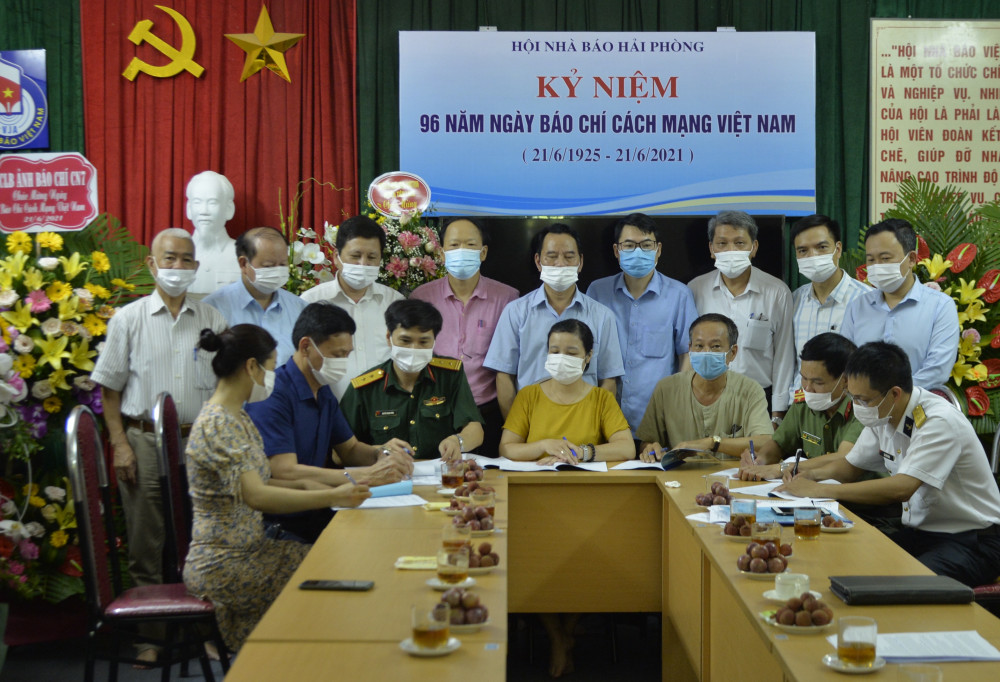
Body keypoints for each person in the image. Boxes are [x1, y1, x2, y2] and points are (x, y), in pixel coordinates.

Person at [183, 325, 370, 653]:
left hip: (253, 550)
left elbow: (264, 480)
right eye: (270, 368)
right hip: (225, 563)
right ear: (251, 367)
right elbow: (256, 495)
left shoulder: (237, 417)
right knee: (331, 577)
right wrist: (331, 495)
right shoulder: (218, 424)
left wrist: (315, 485)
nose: (272, 377)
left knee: (337, 561)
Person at [90, 227, 227, 664]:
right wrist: (120, 445)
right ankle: (151, 638)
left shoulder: (212, 320)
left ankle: (205, 633)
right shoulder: (127, 319)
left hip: (199, 442)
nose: (178, 267)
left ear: (196, 266)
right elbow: (109, 390)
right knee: (146, 542)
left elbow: (227, 386)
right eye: (170, 258)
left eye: (186, 259)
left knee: (204, 539)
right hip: (143, 441)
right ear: (152, 264)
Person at [779, 341, 1000, 587]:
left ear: (894, 393)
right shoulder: (883, 413)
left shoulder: (938, 421)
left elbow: (901, 488)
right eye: (853, 397)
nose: (857, 406)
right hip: (924, 534)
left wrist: (820, 490)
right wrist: (809, 476)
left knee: (900, 586)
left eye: (862, 399)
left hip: (974, 541)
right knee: (849, 560)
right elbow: (850, 467)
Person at [246, 302, 413, 543]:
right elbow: (284, 470)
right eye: (337, 355)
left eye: (347, 354)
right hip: (279, 524)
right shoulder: (274, 393)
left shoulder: (322, 390)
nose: (343, 362)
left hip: (319, 512)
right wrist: (367, 475)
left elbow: (350, 449)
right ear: (306, 346)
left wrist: (384, 453)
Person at [484, 223, 624, 420]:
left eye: (569, 256)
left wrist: (596, 425)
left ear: (580, 262)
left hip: (585, 423)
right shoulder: (515, 312)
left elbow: (608, 379)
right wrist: (517, 427)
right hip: (532, 423)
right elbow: (504, 376)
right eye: (551, 256)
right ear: (538, 261)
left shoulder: (602, 316)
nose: (560, 264)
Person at [411, 218, 519, 456]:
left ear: (483, 252)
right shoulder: (421, 298)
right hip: (435, 412)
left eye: (470, 245)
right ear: (441, 253)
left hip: (488, 412)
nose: (462, 251)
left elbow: (511, 365)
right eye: (454, 245)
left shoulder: (508, 298)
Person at [586, 212, 698, 435]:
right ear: (616, 251)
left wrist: (676, 403)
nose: (638, 252)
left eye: (646, 245)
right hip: (604, 416)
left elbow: (688, 354)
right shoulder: (597, 292)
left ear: (658, 250)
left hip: (658, 418)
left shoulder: (679, 295)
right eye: (629, 245)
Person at [341, 299, 484, 460]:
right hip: (386, 472)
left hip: (440, 471)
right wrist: (380, 451)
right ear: (389, 338)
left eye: (423, 342)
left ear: (434, 341)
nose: (414, 348)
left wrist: (457, 441)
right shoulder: (364, 387)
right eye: (405, 341)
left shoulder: (450, 375)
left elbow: (475, 429)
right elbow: (339, 454)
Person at [688, 210, 794, 421]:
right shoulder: (694, 290)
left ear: (754, 248)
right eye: (722, 243)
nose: (731, 250)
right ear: (711, 249)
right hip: (704, 398)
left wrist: (778, 414)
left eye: (739, 243)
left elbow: (784, 356)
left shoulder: (777, 292)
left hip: (758, 399)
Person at [840, 218, 959, 388]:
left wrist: (892, 397)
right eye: (871, 260)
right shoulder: (857, 306)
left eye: (885, 258)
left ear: (911, 259)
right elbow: (845, 361)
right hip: (863, 402)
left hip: (918, 402)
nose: (877, 266)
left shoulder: (940, 306)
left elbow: (937, 370)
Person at [636, 313, 772, 461]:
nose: (706, 352)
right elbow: (647, 442)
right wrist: (649, 448)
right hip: (679, 474)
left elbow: (765, 443)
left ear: (732, 353)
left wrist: (712, 443)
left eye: (715, 346)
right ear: (690, 349)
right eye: (699, 346)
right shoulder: (666, 389)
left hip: (732, 475)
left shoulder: (750, 390)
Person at [499, 319, 633, 463]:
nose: (561, 358)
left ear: (588, 356)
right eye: (555, 351)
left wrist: (582, 452)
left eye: (571, 353)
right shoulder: (528, 396)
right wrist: (543, 446)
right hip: (538, 475)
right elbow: (506, 448)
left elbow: (627, 448)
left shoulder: (602, 398)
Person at [300, 215, 405, 397]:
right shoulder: (310, 302)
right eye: (355, 256)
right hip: (330, 407)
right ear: (336, 257)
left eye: (372, 257)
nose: (363, 264)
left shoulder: (395, 303)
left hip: (385, 407)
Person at [739, 333, 862, 481]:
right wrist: (759, 461)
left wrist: (782, 468)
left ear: (846, 380)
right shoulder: (803, 402)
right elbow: (779, 444)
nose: (807, 388)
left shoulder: (862, 408)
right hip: (813, 490)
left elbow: (843, 458)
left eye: (818, 382)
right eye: (804, 378)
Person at [787, 214, 869, 403]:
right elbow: (789, 364)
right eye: (803, 250)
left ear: (838, 249)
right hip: (800, 407)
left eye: (821, 247)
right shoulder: (793, 301)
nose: (812, 256)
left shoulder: (866, 301)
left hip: (848, 408)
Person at [203, 226, 306, 364]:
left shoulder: (300, 309)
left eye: (282, 264)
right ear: (244, 264)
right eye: (268, 266)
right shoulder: (212, 309)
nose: (277, 272)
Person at [185, 170, 241, 295]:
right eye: (197, 202)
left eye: (212, 202)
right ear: (189, 208)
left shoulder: (244, 255)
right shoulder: (175, 255)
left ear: (229, 209)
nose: (204, 211)